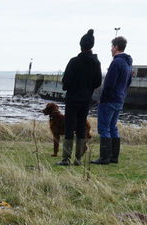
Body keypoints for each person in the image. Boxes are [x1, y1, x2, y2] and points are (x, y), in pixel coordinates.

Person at [57, 29, 102, 166]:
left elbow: (66, 82)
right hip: (86, 98)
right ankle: (78, 159)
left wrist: (68, 86)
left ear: (81, 45)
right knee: (81, 126)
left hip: (72, 98)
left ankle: (66, 158)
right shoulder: (96, 63)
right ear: (92, 45)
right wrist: (88, 89)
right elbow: (98, 82)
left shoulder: (74, 61)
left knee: (69, 126)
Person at [92, 36, 133, 165]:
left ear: (116, 47)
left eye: (112, 47)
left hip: (109, 100)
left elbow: (109, 83)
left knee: (104, 128)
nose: (111, 49)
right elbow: (128, 82)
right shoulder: (127, 63)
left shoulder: (116, 62)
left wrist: (102, 98)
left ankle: (104, 158)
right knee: (113, 127)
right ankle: (113, 157)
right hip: (119, 99)